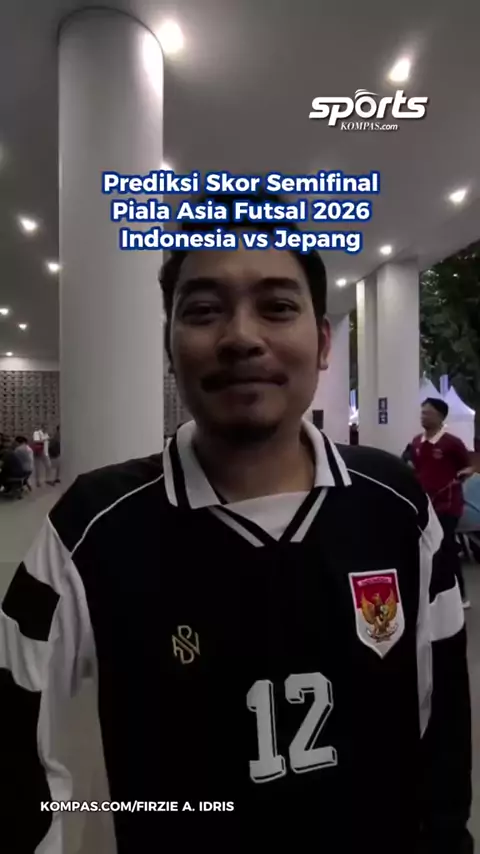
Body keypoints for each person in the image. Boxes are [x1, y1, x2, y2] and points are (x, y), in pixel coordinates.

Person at [0, 192, 472, 854]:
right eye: (203, 310)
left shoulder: (395, 504)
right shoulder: (93, 525)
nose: (242, 337)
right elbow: (14, 737)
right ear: (170, 348)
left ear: (324, 342)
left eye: (277, 306)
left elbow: (442, 730)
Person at [411, 398, 474, 608]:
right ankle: (433, 593)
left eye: (428, 413)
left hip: (448, 504)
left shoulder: (452, 443)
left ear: (440, 416)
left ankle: (460, 595)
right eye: (422, 412)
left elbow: (467, 466)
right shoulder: (417, 442)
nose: (423, 417)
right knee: (427, 549)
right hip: (425, 503)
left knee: (446, 547)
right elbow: (417, 468)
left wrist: (464, 474)